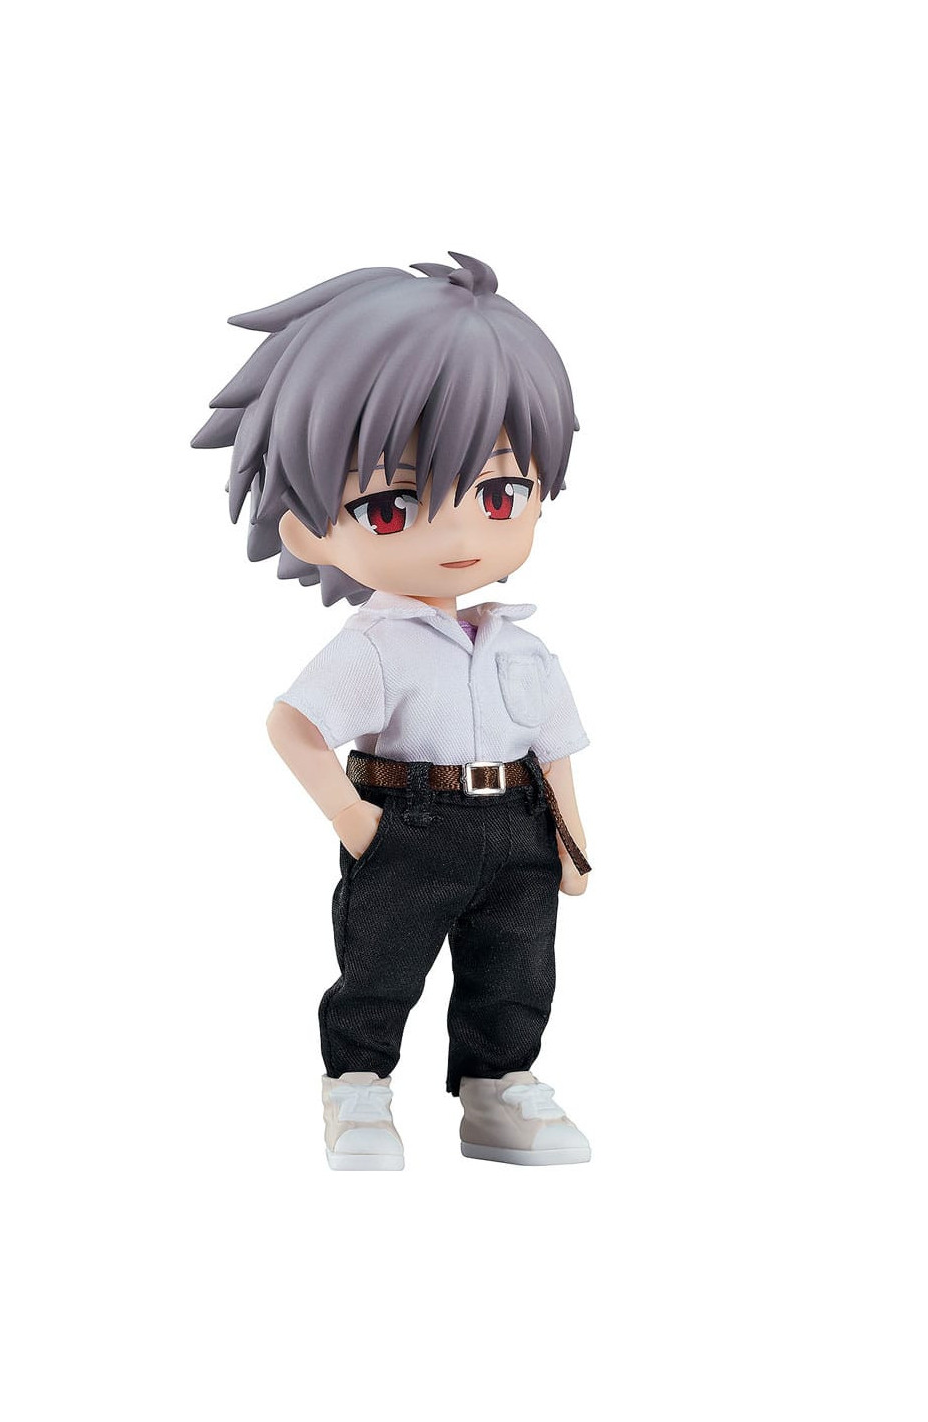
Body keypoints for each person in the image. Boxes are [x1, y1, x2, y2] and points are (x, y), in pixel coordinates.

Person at [192, 253, 593, 1170]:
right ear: (308, 530)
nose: (461, 534)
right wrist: (353, 818)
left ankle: (499, 1087)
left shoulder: (522, 644)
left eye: (500, 494)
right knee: (380, 967)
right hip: (410, 820)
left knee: (517, 967)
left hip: (519, 823)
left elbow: (555, 746)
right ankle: (358, 1087)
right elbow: (293, 724)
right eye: (390, 505)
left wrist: (570, 842)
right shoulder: (376, 646)